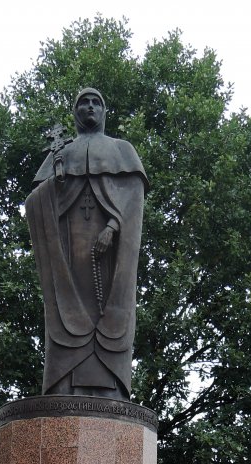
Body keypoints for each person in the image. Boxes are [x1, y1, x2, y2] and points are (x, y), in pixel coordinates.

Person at [25, 88, 147, 400]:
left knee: (110, 314)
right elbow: (36, 203)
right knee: (65, 314)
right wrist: (54, 185)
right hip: (69, 260)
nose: (90, 107)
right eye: (83, 103)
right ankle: (63, 387)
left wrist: (113, 226)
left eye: (96, 103)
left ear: (104, 112)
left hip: (110, 259)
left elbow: (133, 201)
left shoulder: (122, 150)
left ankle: (111, 394)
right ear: (75, 112)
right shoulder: (61, 153)